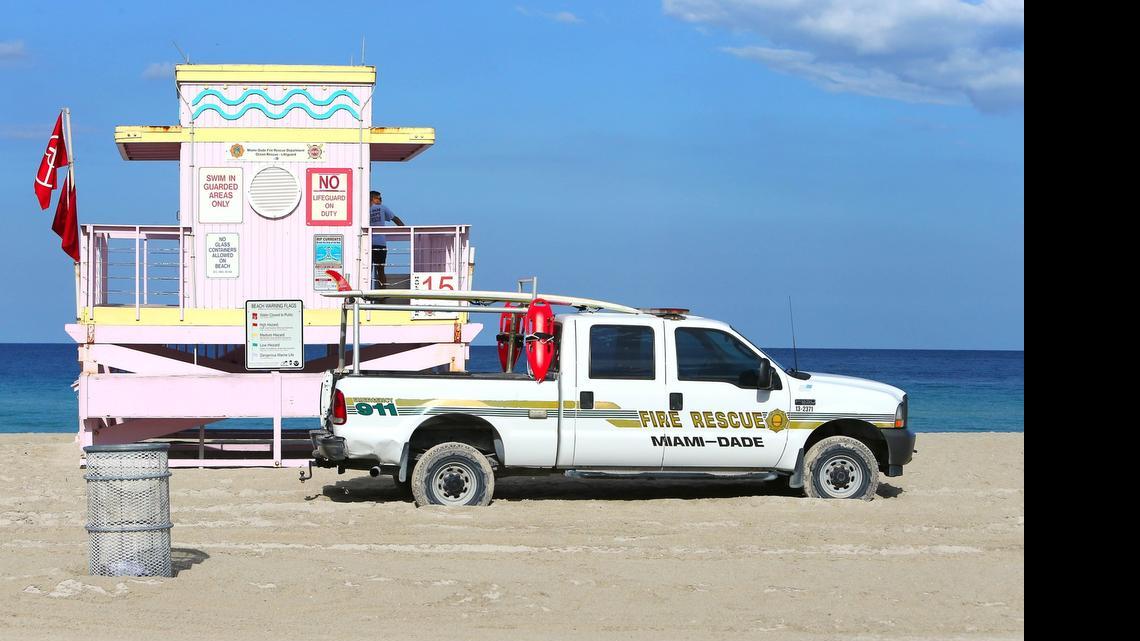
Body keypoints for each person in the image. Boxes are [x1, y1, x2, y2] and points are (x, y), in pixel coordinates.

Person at [369, 190, 405, 287]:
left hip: (367, 243)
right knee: (380, 270)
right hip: (380, 243)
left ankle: (366, 291)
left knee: (367, 269)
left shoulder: (364, 210)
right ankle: (383, 293)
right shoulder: (382, 208)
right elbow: (395, 219)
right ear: (373, 198)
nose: (381, 200)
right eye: (379, 198)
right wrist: (405, 230)